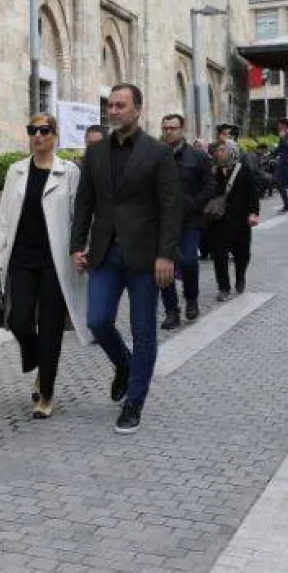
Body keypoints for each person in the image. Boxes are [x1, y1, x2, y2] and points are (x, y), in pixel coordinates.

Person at [71, 83, 182, 435]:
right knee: (97, 320)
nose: (114, 111)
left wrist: (166, 255)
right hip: (104, 252)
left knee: (143, 329)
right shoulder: (96, 153)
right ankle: (124, 363)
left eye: (121, 105)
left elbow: (171, 208)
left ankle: (134, 402)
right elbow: (84, 203)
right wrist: (77, 245)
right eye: (111, 105)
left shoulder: (157, 152)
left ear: (138, 109)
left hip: (145, 258)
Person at [0, 114, 90, 419]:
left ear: (55, 135)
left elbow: (79, 217)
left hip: (55, 262)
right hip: (21, 258)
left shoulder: (68, 172)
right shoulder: (16, 171)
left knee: (50, 328)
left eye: (44, 130)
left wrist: (80, 250)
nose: (38, 136)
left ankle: (45, 393)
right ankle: (34, 356)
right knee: (18, 320)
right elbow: (4, 218)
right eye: (33, 130)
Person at [158, 113, 216, 329]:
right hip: (162, 222)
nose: (168, 132)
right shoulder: (156, 156)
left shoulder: (197, 156)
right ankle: (171, 311)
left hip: (189, 220)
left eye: (172, 128)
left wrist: (193, 204)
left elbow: (210, 185)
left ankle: (191, 298)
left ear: (182, 129)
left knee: (189, 260)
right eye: (165, 128)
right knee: (164, 266)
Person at [204, 140, 260, 300]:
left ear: (232, 151)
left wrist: (253, 213)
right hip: (218, 220)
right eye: (218, 150)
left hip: (240, 220)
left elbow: (253, 193)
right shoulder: (212, 171)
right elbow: (208, 192)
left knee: (242, 254)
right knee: (219, 255)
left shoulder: (243, 170)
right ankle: (224, 287)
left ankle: (240, 276)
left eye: (223, 149)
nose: (219, 153)